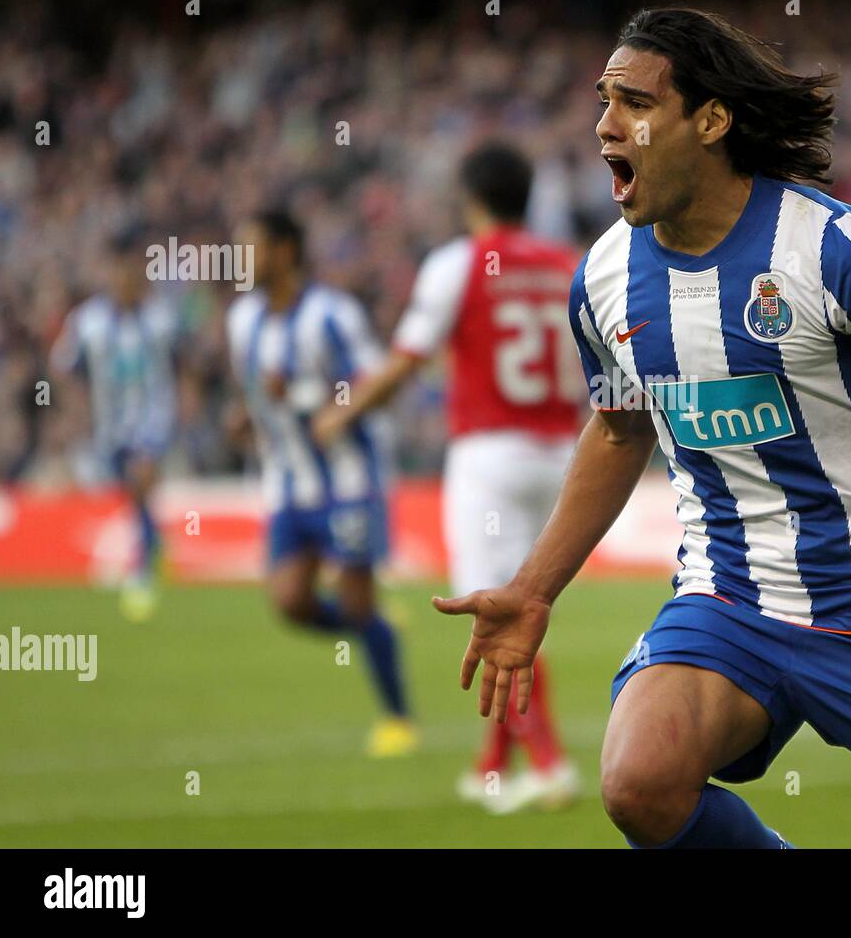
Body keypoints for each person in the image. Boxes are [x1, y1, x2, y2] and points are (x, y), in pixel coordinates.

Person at [433, 8, 851, 848]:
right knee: (638, 783)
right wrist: (535, 586)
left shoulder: (830, 245)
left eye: (635, 102)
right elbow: (620, 433)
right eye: (602, 101)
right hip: (728, 598)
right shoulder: (605, 276)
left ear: (712, 120)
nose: (605, 125)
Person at [313, 144, 580, 811]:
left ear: (470, 198)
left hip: (490, 456)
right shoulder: (567, 264)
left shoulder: (459, 262)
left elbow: (406, 361)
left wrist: (339, 413)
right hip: (563, 455)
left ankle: (548, 763)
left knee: (496, 611)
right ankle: (491, 763)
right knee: (520, 600)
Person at [226, 210, 415, 758]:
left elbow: (377, 380)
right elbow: (257, 392)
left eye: (252, 248)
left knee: (355, 599)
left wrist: (335, 411)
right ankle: (378, 629)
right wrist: (244, 416)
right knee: (289, 602)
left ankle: (397, 719)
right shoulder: (242, 321)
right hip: (287, 481)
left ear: (285, 251)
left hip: (349, 479)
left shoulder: (332, 314)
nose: (242, 261)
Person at [51, 229, 179, 621]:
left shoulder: (159, 318)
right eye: (121, 270)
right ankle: (156, 543)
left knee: (141, 477)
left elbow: (183, 364)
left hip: (154, 418)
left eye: (134, 270)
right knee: (130, 490)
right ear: (111, 273)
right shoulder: (88, 321)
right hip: (109, 425)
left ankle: (140, 572)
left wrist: (184, 406)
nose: (127, 278)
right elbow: (63, 367)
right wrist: (75, 411)